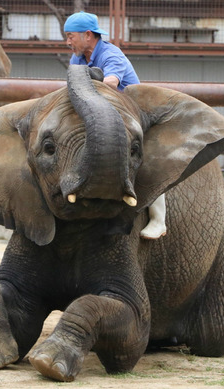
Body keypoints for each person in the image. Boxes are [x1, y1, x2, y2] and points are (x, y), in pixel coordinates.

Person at [64, 11, 166, 239]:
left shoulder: (112, 54)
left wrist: (89, 79)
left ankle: (159, 219)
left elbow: (111, 82)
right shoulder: (77, 58)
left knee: (148, 160)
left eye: (71, 36)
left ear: (88, 35)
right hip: (99, 116)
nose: (68, 42)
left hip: (131, 116)